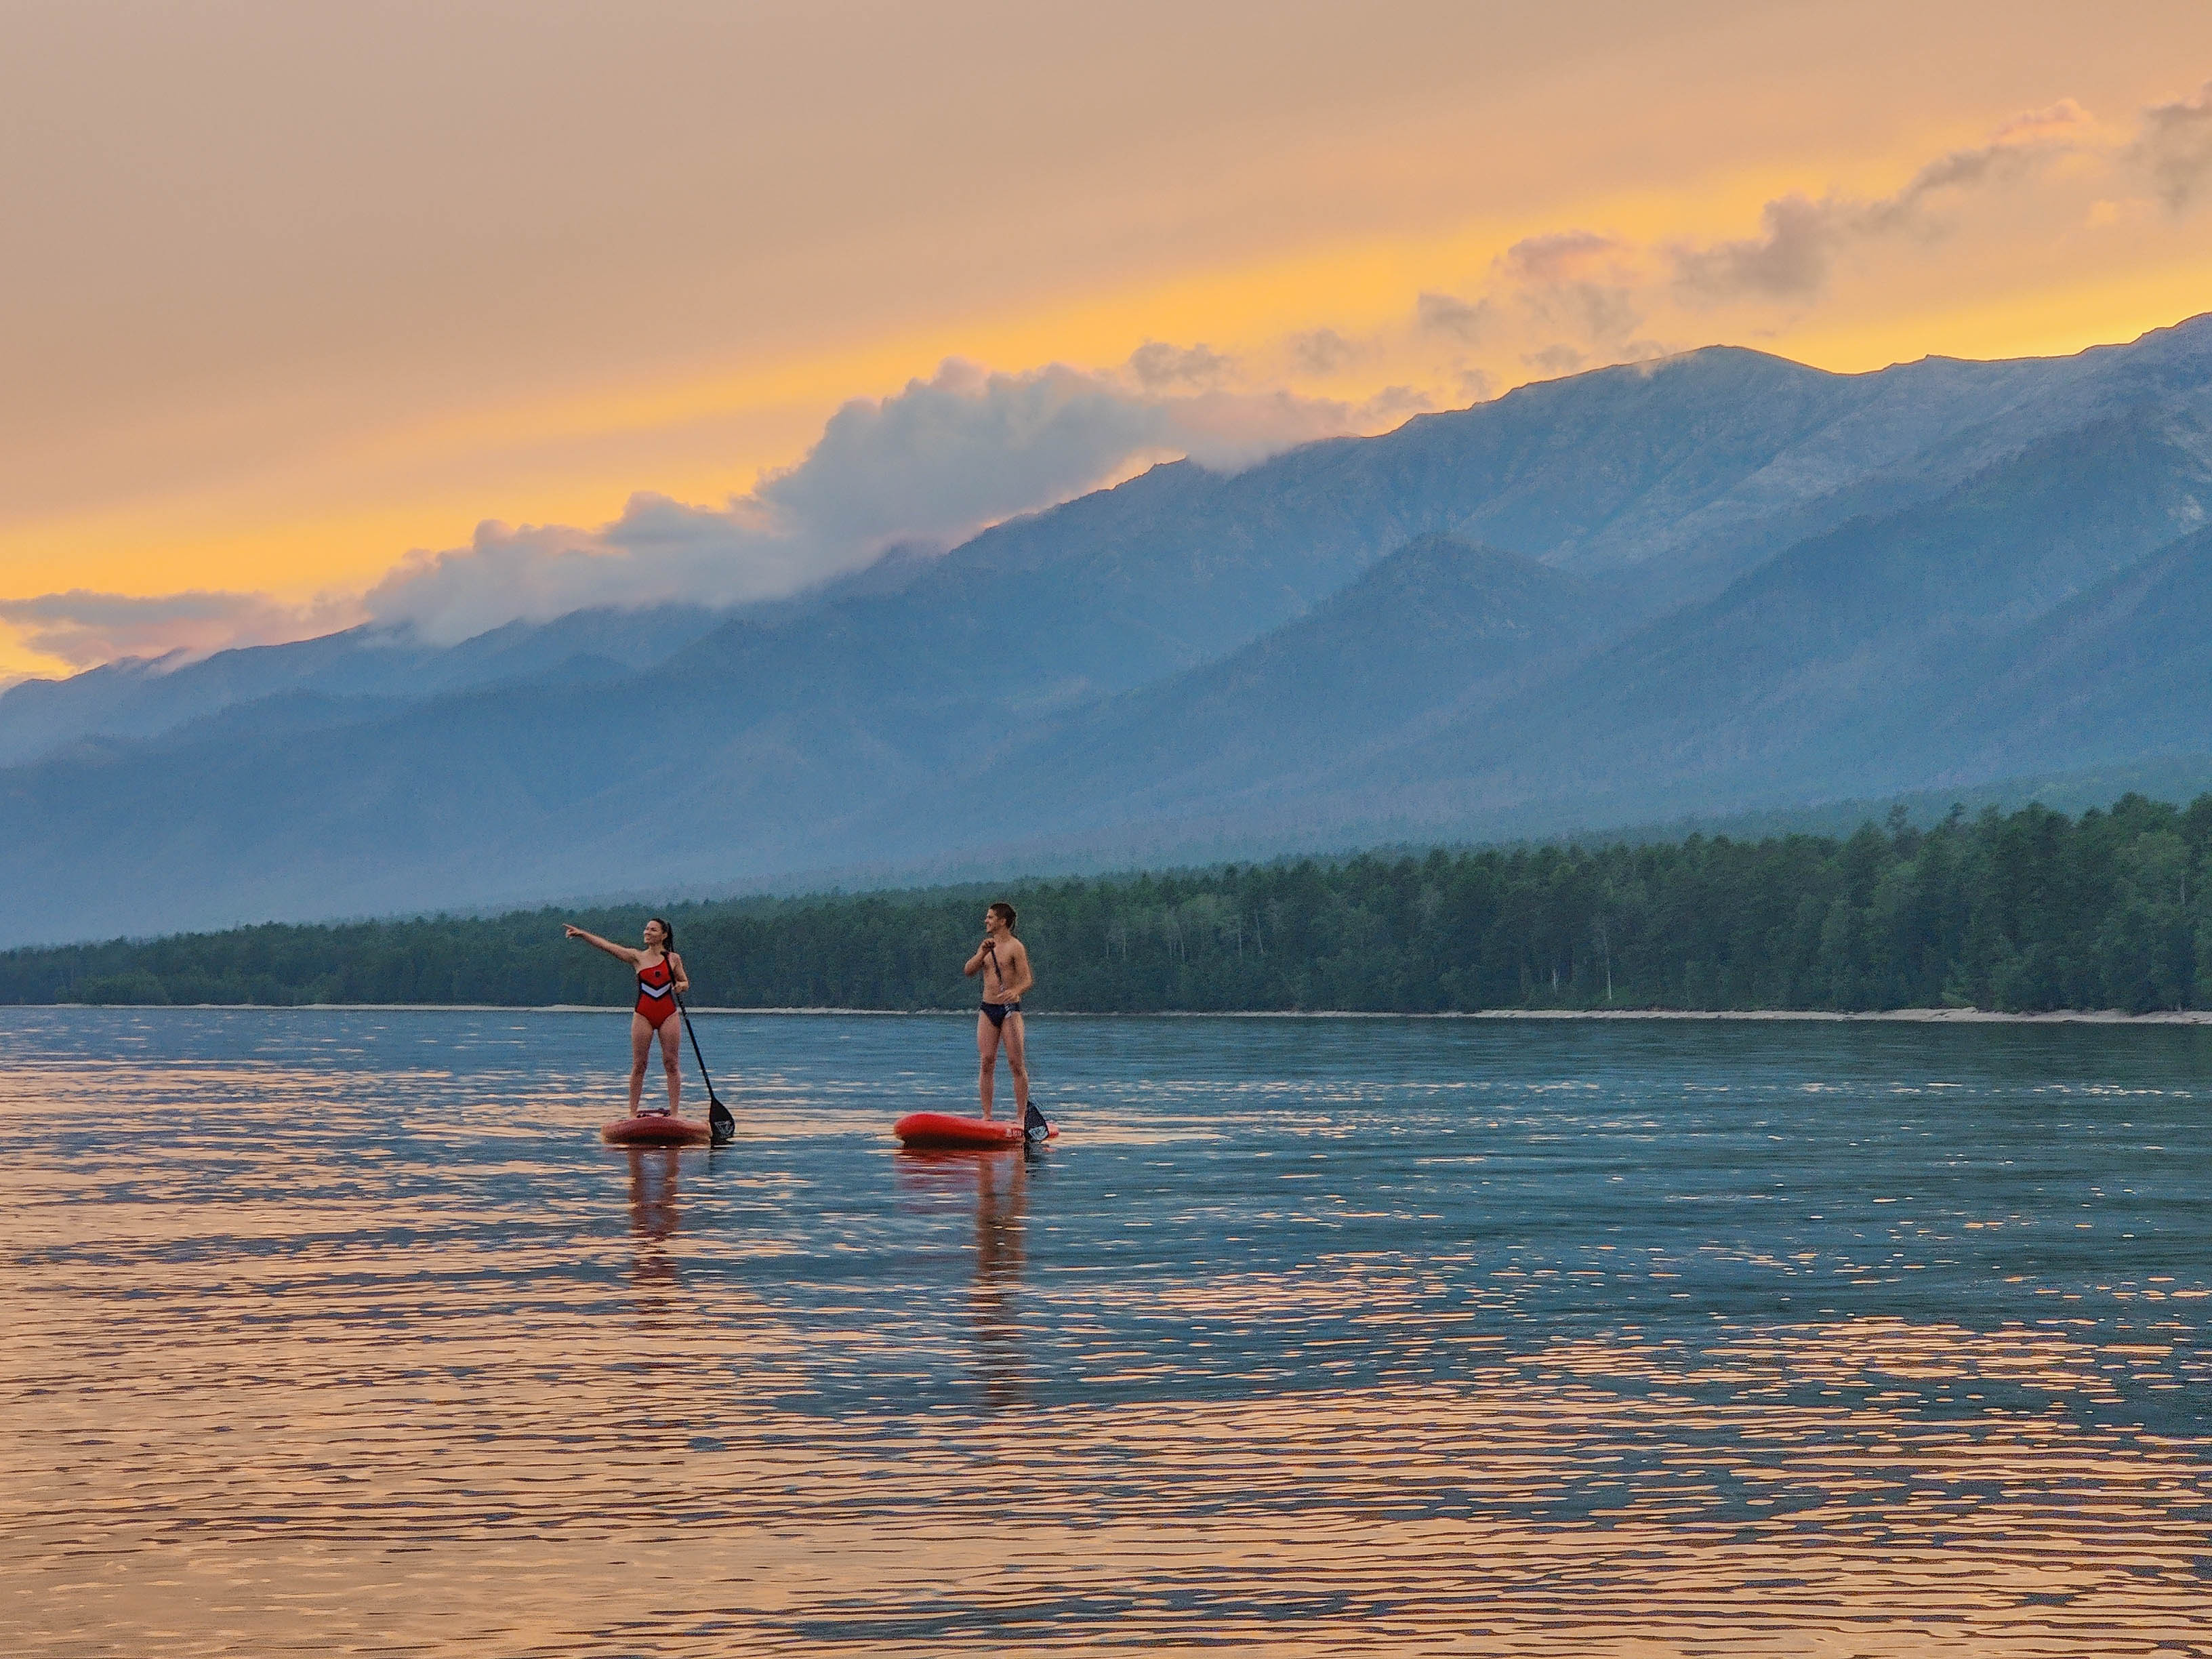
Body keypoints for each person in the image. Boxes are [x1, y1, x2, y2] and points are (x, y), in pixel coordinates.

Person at [564, 917, 689, 1116]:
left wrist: (681, 986)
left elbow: (684, 981)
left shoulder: (673, 959)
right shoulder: (636, 956)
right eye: (646, 929)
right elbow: (607, 946)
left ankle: (674, 1114)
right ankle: (632, 1113)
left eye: (653, 930)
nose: (647, 932)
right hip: (643, 1015)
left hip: (668, 1014)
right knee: (640, 1064)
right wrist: (583, 934)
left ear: (664, 935)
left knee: (671, 1063)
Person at [963, 901, 1040, 1132]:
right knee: (987, 1061)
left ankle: (1020, 1116)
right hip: (988, 1009)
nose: (986, 921)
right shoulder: (986, 946)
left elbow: (1027, 979)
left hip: (1010, 1012)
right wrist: (982, 954)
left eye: (990, 917)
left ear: (1002, 921)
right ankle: (987, 1115)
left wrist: (1015, 991)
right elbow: (969, 970)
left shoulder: (1016, 947)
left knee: (1016, 1063)